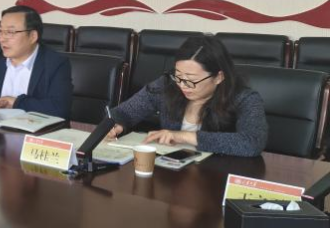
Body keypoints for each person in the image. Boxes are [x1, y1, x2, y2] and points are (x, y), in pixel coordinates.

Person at [108, 34, 267, 157]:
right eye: (178, 76)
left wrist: (186, 137)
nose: (182, 85)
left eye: (191, 80)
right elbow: (124, 112)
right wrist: (117, 124)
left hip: (216, 176)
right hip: (171, 172)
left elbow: (252, 142)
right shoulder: (166, 85)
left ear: (219, 77)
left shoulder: (244, 98)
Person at [0, 5, 72, 118]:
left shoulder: (55, 63)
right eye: (0, 31)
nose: (2, 38)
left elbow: (59, 109)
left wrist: (16, 102)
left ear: (32, 36)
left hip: (33, 128)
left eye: (10, 32)